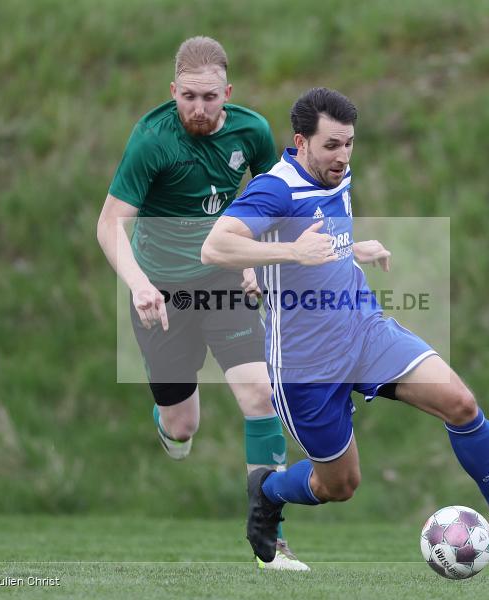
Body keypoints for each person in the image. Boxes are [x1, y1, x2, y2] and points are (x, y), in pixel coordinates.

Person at [201, 87, 489, 563]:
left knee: (460, 402)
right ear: (301, 141)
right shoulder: (275, 188)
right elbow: (215, 247)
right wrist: (290, 253)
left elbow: (315, 231)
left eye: (349, 143)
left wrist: (350, 248)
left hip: (364, 331)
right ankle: (269, 490)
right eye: (331, 145)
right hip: (304, 364)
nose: (342, 155)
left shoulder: (338, 174)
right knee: (340, 485)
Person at [96, 36, 308, 571]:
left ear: (227, 93)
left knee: (260, 394)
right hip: (162, 295)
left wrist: (255, 262)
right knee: (183, 425)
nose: (198, 108)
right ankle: (168, 421)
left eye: (209, 97)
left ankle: (271, 538)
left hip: (222, 283)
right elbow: (108, 224)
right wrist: (140, 285)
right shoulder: (152, 141)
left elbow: (272, 202)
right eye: (187, 96)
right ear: (173, 91)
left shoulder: (252, 130)